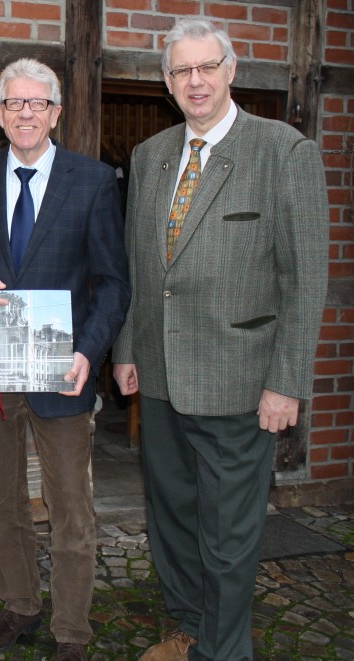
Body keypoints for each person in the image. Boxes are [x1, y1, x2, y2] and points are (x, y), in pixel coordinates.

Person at [112, 19, 329, 661]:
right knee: (173, 520)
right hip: (159, 377)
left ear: (231, 70)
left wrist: (286, 382)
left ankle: (223, 650)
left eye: (208, 67)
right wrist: (127, 350)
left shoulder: (284, 151)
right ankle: (186, 627)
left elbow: (304, 279)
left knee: (229, 535)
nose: (195, 81)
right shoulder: (150, 157)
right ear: (167, 83)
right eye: (182, 71)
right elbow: (138, 266)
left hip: (240, 382)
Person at [0, 59, 130, 661]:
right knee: (1, 505)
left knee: (71, 508)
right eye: (14, 103)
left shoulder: (95, 181)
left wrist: (89, 350)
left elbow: (111, 282)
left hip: (61, 368)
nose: (25, 113)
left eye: (37, 103)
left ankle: (71, 632)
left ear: (55, 112)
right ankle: (22, 605)